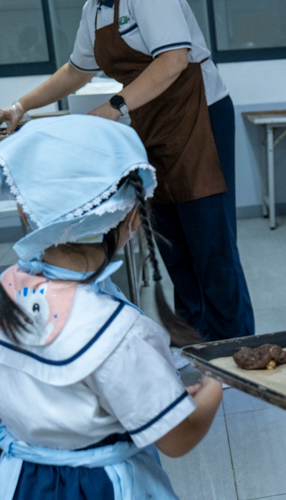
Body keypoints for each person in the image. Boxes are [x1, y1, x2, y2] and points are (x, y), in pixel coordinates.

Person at [0, 0, 254, 342]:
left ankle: (234, 350)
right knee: (175, 249)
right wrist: (21, 106)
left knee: (211, 247)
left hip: (199, 120)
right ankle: (194, 346)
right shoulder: (94, 9)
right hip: (152, 125)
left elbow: (174, 60)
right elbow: (77, 71)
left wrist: (115, 106)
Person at [0, 115, 223, 499]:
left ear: (25, 212)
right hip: (98, 487)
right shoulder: (119, 331)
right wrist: (217, 385)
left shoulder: (7, 287)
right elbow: (177, 439)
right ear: (133, 219)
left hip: (20, 479)